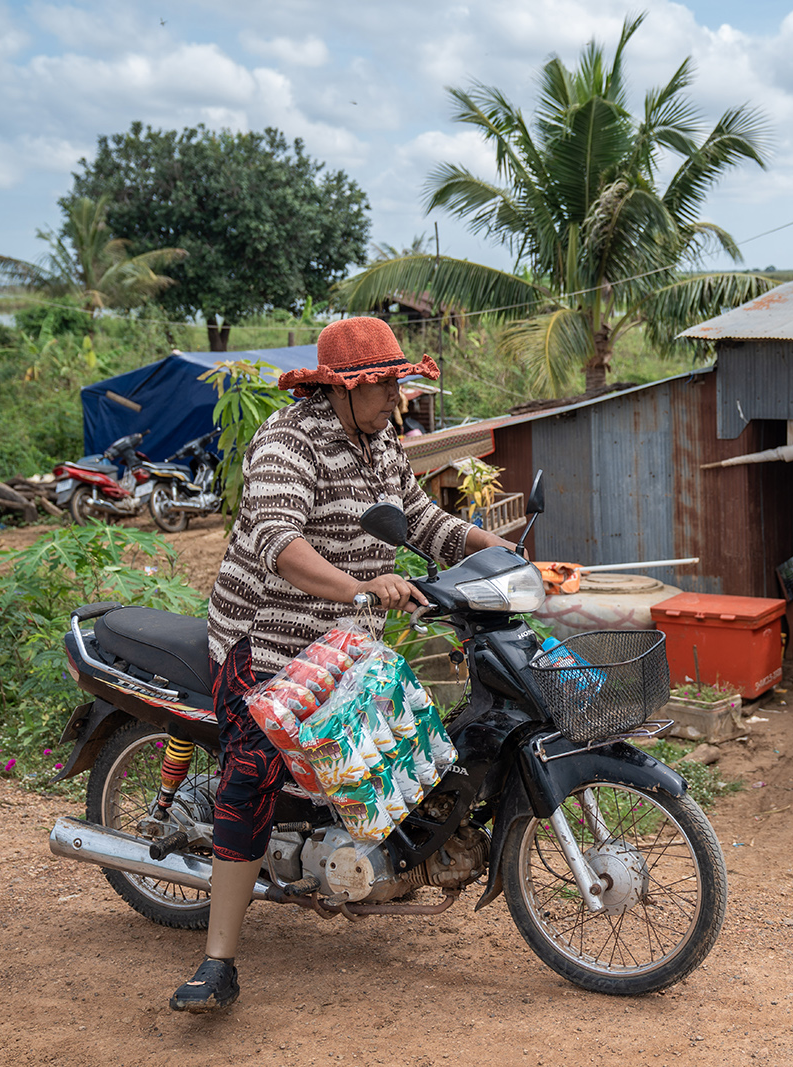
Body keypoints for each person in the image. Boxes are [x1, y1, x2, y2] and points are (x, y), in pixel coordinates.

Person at [171, 317, 516, 1012]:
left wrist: (501, 551)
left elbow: (422, 521)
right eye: (387, 386)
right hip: (264, 642)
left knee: (405, 736)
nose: (398, 399)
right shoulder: (285, 442)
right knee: (252, 775)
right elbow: (277, 541)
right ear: (346, 387)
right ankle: (219, 961)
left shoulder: (382, 441)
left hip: (344, 642)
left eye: (398, 384)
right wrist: (360, 585)